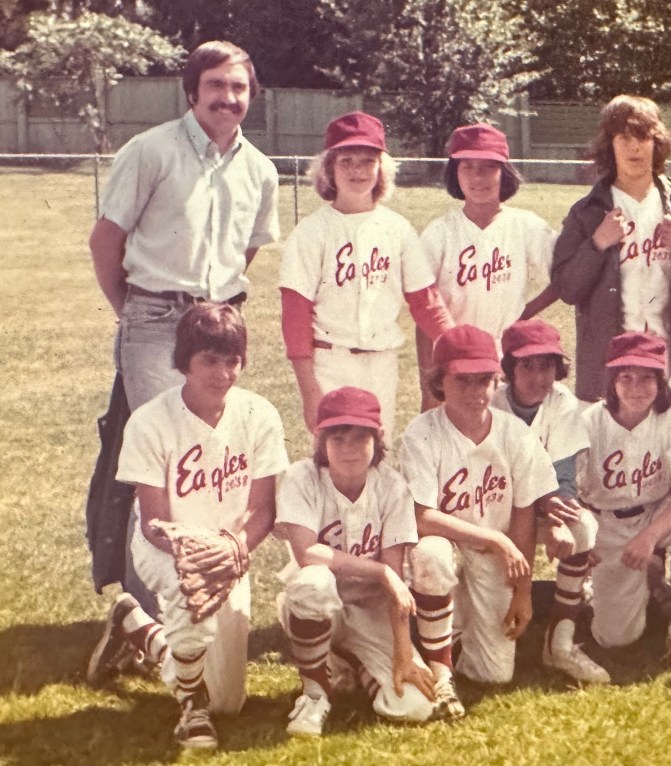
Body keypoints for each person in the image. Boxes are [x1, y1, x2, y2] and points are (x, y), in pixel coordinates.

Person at [86, 40, 280, 610]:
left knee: (207, 457)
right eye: (216, 85)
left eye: (239, 87)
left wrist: (215, 311)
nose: (228, 97)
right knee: (160, 456)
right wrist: (131, 310)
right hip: (153, 318)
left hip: (217, 325)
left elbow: (245, 251)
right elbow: (105, 240)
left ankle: (202, 586)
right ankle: (150, 611)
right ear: (192, 91)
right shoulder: (150, 151)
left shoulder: (261, 170)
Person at [86, 303, 289, 749]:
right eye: (209, 360)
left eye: (232, 360)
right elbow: (154, 521)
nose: (222, 373)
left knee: (228, 702)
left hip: (230, 550)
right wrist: (197, 556)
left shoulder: (259, 414)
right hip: (164, 548)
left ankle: (138, 627)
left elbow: (263, 509)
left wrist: (232, 551)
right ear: (184, 361)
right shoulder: (151, 420)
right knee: (186, 594)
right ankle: (191, 712)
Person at [400, 325, 559, 716]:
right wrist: (495, 540)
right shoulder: (422, 432)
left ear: (496, 380)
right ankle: (440, 670)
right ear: (439, 380)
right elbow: (421, 516)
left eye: (484, 380)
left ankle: (443, 632)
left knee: (495, 674)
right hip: (447, 545)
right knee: (432, 555)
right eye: (462, 380)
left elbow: (523, 513)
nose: (475, 391)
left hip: (492, 555)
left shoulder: (514, 434)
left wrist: (523, 591)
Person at [279, 111, 453, 440]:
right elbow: (295, 316)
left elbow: (426, 302)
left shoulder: (397, 229)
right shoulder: (311, 231)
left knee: (377, 451)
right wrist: (309, 390)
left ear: (381, 168)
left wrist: (460, 348)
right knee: (334, 453)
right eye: (346, 161)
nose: (357, 170)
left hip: (381, 362)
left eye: (367, 161)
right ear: (329, 167)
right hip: (330, 360)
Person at [275, 387, 437, 736]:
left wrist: (404, 653)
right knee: (313, 580)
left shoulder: (392, 487)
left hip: (371, 610)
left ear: (378, 439)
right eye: (338, 438)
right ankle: (314, 694)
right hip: (315, 605)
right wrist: (380, 571)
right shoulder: (301, 477)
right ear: (321, 440)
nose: (349, 449)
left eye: (360, 438)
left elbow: (396, 585)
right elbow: (307, 552)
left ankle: (353, 662)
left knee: (414, 706)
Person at [550, 94, 671, 404]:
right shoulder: (587, 211)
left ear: (657, 143)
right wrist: (597, 244)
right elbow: (566, 289)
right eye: (624, 137)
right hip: (610, 364)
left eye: (643, 137)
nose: (635, 147)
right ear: (610, 145)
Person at [577, 332, 671, 672]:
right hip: (605, 522)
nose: (636, 388)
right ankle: (641, 584)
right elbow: (563, 489)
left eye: (646, 377)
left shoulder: (670, 419)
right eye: (626, 377)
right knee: (615, 639)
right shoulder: (589, 421)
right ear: (612, 380)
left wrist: (650, 538)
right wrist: (581, 537)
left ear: (660, 381)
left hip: (656, 511)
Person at [492, 319, 609, 684]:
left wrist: (559, 523)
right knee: (494, 650)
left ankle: (560, 643)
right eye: (526, 365)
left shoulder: (562, 402)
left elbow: (564, 476)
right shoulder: (493, 404)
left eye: (546, 365)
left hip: (545, 505)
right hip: (498, 514)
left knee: (582, 527)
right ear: (510, 368)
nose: (538, 376)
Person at [416, 123, 558, 408]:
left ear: (504, 172)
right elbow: (423, 312)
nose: (478, 176)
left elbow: (565, 276)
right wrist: (428, 385)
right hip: (455, 358)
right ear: (454, 173)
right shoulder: (440, 232)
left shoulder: (525, 224)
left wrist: (526, 311)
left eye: (488, 167)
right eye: (467, 166)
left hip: (508, 359)